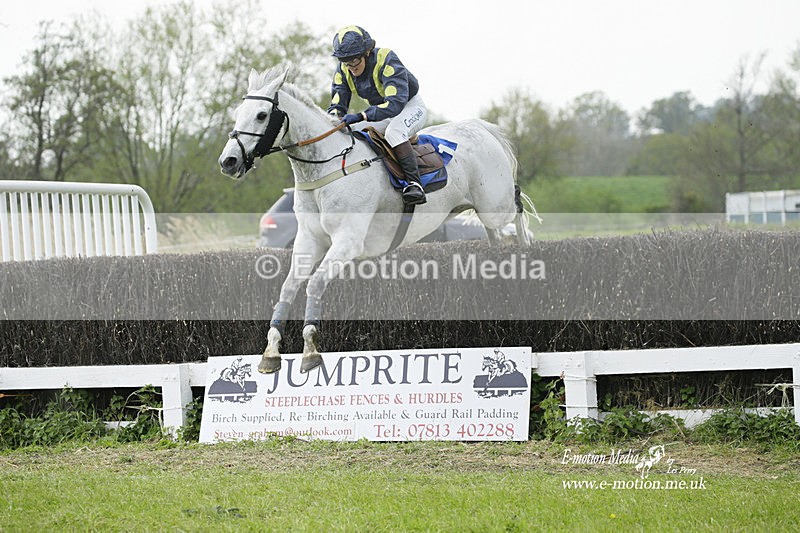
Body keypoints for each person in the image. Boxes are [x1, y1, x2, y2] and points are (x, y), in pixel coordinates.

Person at [327, 25, 427, 205]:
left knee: (394, 132)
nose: (350, 67)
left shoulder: (386, 58)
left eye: (354, 61)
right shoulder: (344, 70)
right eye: (345, 62)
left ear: (367, 52)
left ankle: (415, 184)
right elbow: (336, 106)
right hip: (382, 112)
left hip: (409, 107)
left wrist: (361, 115)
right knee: (348, 131)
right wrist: (331, 124)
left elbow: (395, 103)